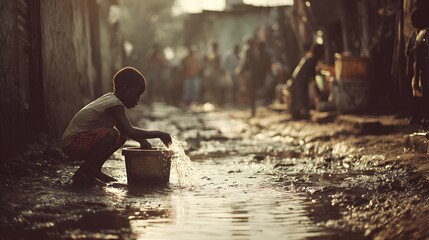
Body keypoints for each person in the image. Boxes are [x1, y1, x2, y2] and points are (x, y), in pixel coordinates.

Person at [61, 67, 172, 184]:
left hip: (79, 141)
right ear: (126, 88)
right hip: (72, 144)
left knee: (120, 136)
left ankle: (94, 169)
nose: (138, 100)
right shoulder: (114, 104)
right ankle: (82, 172)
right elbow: (131, 131)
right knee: (112, 134)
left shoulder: (112, 100)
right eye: (137, 95)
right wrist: (159, 134)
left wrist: (141, 140)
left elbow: (125, 129)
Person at [287, 43, 325, 120]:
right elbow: (312, 77)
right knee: (302, 97)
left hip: (298, 79)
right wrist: (318, 91)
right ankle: (301, 114)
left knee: (299, 97)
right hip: (300, 81)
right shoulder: (312, 60)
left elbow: (311, 74)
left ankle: (298, 114)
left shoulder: (309, 58)